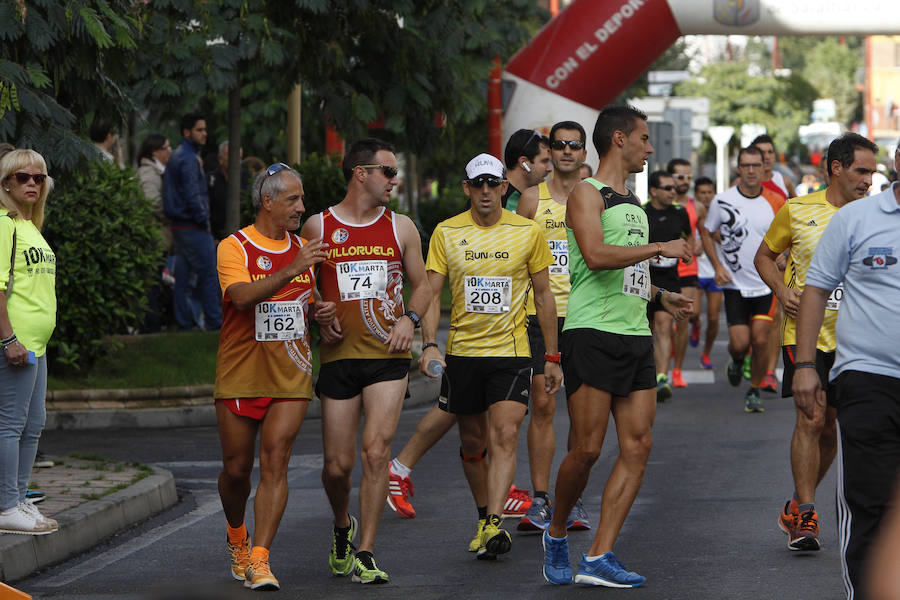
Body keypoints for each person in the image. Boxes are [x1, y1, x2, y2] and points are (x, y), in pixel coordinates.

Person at [541, 106, 692, 587]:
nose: (651, 149)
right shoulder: (587, 194)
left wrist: (660, 296)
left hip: (635, 335)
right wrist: (657, 249)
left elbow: (628, 272)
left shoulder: (633, 202)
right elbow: (594, 256)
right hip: (590, 333)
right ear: (620, 140)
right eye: (646, 139)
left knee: (639, 444)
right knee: (586, 450)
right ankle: (558, 531)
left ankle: (599, 555)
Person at [418, 152, 561, 561]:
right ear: (467, 188)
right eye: (476, 184)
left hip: (512, 354)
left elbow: (544, 294)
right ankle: (484, 517)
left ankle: (496, 523)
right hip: (463, 353)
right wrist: (429, 342)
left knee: (505, 434)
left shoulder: (527, 232)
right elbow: (430, 291)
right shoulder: (446, 232)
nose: (485, 192)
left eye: (492, 184)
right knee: (472, 442)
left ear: (503, 187)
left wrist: (551, 355)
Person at [301, 138, 431, 584]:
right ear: (361, 173)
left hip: (387, 357)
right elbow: (299, 287)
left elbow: (426, 285)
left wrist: (410, 320)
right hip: (339, 358)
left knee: (376, 452)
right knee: (336, 468)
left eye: (395, 173)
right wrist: (316, 311)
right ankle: (343, 526)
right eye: (388, 172)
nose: (395, 180)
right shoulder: (319, 226)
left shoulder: (402, 227)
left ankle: (367, 551)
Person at [755, 133, 878, 554]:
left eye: (873, 173)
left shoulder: (877, 215)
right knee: (812, 417)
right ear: (836, 167)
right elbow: (764, 257)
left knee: (831, 429)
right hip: (806, 335)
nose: (868, 180)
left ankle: (794, 503)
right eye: (861, 171)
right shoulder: (797, 209)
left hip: (859, 338)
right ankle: (807, 512)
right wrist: (781, 290)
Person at [792, 138, 900, 600]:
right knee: (871, 500)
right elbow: (815, 289)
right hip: (868, 377)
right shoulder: (857, 219)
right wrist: (805, 365)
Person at [214, 163, 328, 590]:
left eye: (302, 199)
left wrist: (320, 312)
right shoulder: (235, 246)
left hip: (291, 374)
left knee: (276, 462)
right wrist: (291, 268)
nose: (302, 207)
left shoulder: (303, 248)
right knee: (237, 470)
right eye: (293, 199)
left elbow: (305, 300)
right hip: (241, 372)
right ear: (268, 201)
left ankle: (260, 559)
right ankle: (237, 535)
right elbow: (241, 298)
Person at [516, 120, 589, 532]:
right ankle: (540, 499)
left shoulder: (596, 198)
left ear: (583, 154)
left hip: (584, 315)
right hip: (538, 315)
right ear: (551, 152)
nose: (565, 151)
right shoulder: (530, 200)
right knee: (543, 405)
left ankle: (573, 500)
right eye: (558, 145)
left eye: (573, 145)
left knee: (582, 413)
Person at [700, 145, 785, 413]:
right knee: (739, 344)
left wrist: (784, 255)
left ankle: (754, 389)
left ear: (764, 168)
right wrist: (716, 266)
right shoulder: (722, 201)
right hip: (735, 284)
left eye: (755, 166)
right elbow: (706, 231)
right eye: (745, 165)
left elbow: (791, 235)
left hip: (765, 283)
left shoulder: (776, 201)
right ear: (738, 168)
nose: (750, 171)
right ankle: (737, 361)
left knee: (760, 339)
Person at [0, 149, 58, 535]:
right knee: (11, 425)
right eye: (23, 177)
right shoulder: (4, 225)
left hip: (37, 344)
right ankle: (5, 505)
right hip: (16, 343)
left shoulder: (30, 226)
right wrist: (9, 339)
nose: (32, 183)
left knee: (32, 425)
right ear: (6, 184)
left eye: (39, 177)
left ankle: (19, 498)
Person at [163, 112, 222, 332]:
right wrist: (203, 220)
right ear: (187, 132)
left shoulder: (179, 155)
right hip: (192, 225)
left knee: (184, 276)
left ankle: (185, 323)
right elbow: (193, 194)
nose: (205, 134)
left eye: (205, 129)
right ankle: (216, 324)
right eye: (199, 130)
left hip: (181, 225)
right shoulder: (187, 158)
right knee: (209, 273)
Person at [752, 134, 795, 393]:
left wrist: (785, 250)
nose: (766, 156)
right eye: (761, 152)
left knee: (775, 317)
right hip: (749, 265)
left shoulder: (783, 182)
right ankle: (750, 357)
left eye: (769, 151)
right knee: (751, 331)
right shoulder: (741, 186)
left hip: (776, 261)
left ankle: (768, 371)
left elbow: (797, 215)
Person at [644, 170, 692, 401]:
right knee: (647, 329)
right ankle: (647, 373)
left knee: (664, 325)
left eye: (674, 187)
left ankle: (661, 377)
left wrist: (687, 252)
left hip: (670, 279)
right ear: (653, 191)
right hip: (644, 278)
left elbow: (689, 236)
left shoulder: (680, 213)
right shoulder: (641, 211)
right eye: (668, 188)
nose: (674, 191)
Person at [667, 158, 702, 388]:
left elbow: (704, 234)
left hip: (688, 268)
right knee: (664, 322)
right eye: (680, 177)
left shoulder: (697, 206)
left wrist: (698, 245)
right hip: (665, 269)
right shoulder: (658, 203)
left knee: (685, 318)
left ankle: (677, 369)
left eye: (688, 177)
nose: (684, 181)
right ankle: (663, 366)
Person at [136, 133, 174, 333]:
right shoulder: (149, 173)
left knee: (154, 281)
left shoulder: (156, 171)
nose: (170, 151)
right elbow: (152, 202)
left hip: (157, 235)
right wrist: (170, 216)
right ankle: (149, 326)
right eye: (167, 147)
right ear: (155, 151)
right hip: (153, 237)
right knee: (151, 282)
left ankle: (151, 323)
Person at [693, 176, 722, 370]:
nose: (706, 196)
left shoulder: (721, 213)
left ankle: (706, 353)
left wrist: (709, 236)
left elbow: (724, 239)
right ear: (696, 194)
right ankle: (695, 325)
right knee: (693, 312)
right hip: (695, 271)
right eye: (702, 193)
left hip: (715, 272)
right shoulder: (692, 213)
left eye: (709, 192)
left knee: (713, 318)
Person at [502, 129, 551, 212]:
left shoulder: (540, 198)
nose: (550, 168)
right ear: (524, 163)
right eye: (544, 161)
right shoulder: (495, 199)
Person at [208, 141, 249, 241]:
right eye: (233, 157)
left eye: (240, 158)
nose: (237, 161)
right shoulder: (210, 180)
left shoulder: (246, 178)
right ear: (221, 159)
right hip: (215, 238)